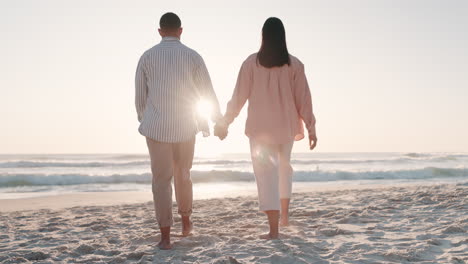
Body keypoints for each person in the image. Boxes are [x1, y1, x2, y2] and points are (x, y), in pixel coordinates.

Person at [215, 17, 317, 239]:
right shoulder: (295, 65)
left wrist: (226, 121)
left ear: (263, 37)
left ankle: (274, 230)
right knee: (283, 170)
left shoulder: (251, 63)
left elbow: (238, 97)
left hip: (260, 130)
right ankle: (285, 217)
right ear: (283, 37)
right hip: (286, 128)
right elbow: (304, 100)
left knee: (266, 176)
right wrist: (311, 127)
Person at [135, 12, 223, 249]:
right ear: (181, 31)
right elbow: (207, 91)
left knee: (161, 180)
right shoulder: (193, 56)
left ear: (160, 31)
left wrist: (146, 118)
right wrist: (218, 120)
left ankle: (165, 237)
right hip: (186, 125)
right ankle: (186, 222)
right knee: (183, 173)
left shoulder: (147, 56)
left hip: (156, 127)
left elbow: (140, 97)